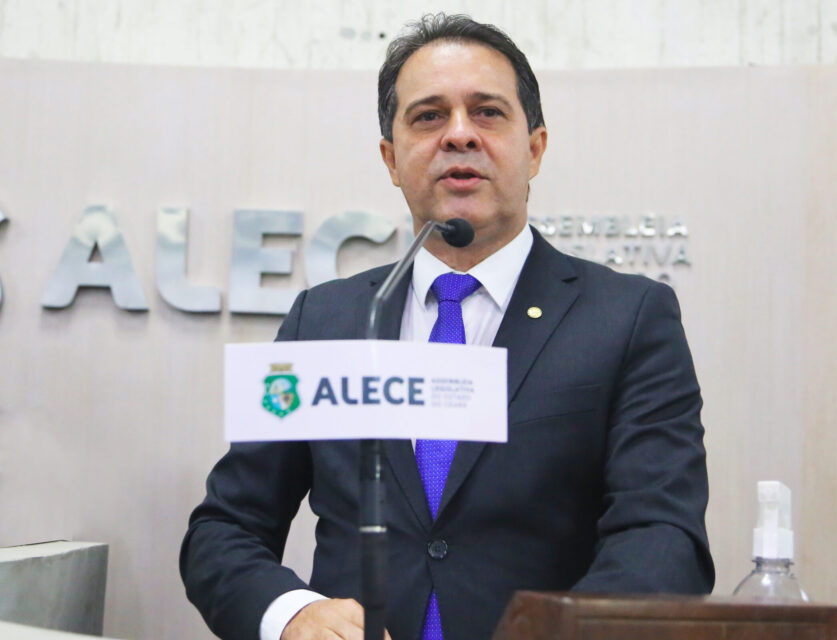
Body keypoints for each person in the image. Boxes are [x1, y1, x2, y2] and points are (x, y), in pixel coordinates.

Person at [181, 13, 714, 640]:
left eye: (487, 112)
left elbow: (662, 536)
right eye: (429, 116)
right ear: (391, 158)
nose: (459, 134)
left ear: (535, 148)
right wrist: (293, 615)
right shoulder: (323, 321)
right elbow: (225, 528)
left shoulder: (628, 318)